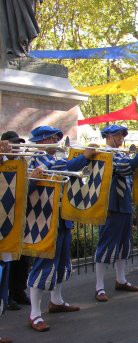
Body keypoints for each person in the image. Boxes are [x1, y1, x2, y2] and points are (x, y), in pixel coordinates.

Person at [26, 126, 96, 331]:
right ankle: (35, 314)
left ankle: (56, 300)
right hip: (45, 218)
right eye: (51, 138)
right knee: (43, 263)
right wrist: (83, 157)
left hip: (61, 216)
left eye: (56, 138)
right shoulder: (36, 158)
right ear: (40, 141)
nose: (56, 141)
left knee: (62, 261)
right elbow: (59, 167)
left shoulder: (53, 156)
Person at [94, 125, 138, 302]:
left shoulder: (120, 153)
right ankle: (99, 287)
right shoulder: (104, 153)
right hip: (111, 205)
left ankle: (121, 280)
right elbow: (124, 168)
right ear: (108, 136)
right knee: (106, 244)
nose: (121, 137)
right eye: (118, 135)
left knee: (123, 244)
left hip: (124, 204)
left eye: (122, 135)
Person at [0, 131, 31, 310]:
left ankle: (18, 291)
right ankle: (8, 296)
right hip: (5, 218)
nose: (16, 147)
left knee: (22, 259)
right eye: (13, 143)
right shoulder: (4, 162)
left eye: (18, 144)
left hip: (20, 216)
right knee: (7, 261)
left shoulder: (21, 164)